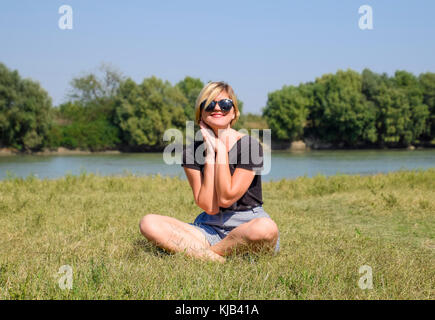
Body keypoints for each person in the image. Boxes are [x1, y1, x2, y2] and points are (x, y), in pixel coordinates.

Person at [139, 81, 279, 263]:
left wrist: (220, 150)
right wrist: (210, 157)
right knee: (149, 223)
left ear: (234, 112)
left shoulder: (249, 146)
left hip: (248, 224)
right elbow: (210, 206)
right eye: (210, 104)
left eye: (225, 104)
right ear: (201, 113)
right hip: (209, 227)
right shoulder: (191, 151)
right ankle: (219, 257)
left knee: (266, 229)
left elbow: (226, 197)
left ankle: (204, 254)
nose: (217, 108)